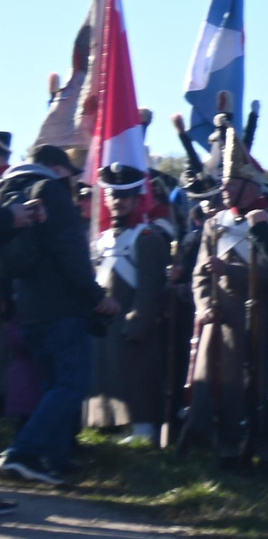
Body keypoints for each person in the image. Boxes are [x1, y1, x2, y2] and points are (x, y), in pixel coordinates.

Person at [0, 145, 114, 485]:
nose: (74, 180)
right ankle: (25, 452)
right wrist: (96, 297)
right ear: (54, 168)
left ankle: (54, 459)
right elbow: (70, 250)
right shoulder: (51, 190)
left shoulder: (9, 194)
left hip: (28, 311)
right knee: (70, 384)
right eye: (70, 172)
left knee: (53, 384)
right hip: (62, 309)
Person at [182, 123, 268, 461]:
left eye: (230, 183)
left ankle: (241, 443)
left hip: (255, 317)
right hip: (218, 316)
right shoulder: (215, 224)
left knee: (247, 386)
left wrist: (232, 271)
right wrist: (203, 306)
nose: (223, 189)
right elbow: (200, 273)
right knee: (208, 382)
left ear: (248, 185)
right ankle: (201, 439)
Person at [84, 161, 176, 448]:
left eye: (124, 196)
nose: (118, 202)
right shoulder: (101, 240)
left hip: (132, 320)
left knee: (137, 375)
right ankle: (107, 425)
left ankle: (142, 427)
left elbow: (150, 287)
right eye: (113, 195)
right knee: (107, 374)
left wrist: (139, 321)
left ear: (137, 198)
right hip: (105, 322)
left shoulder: (147, 237)